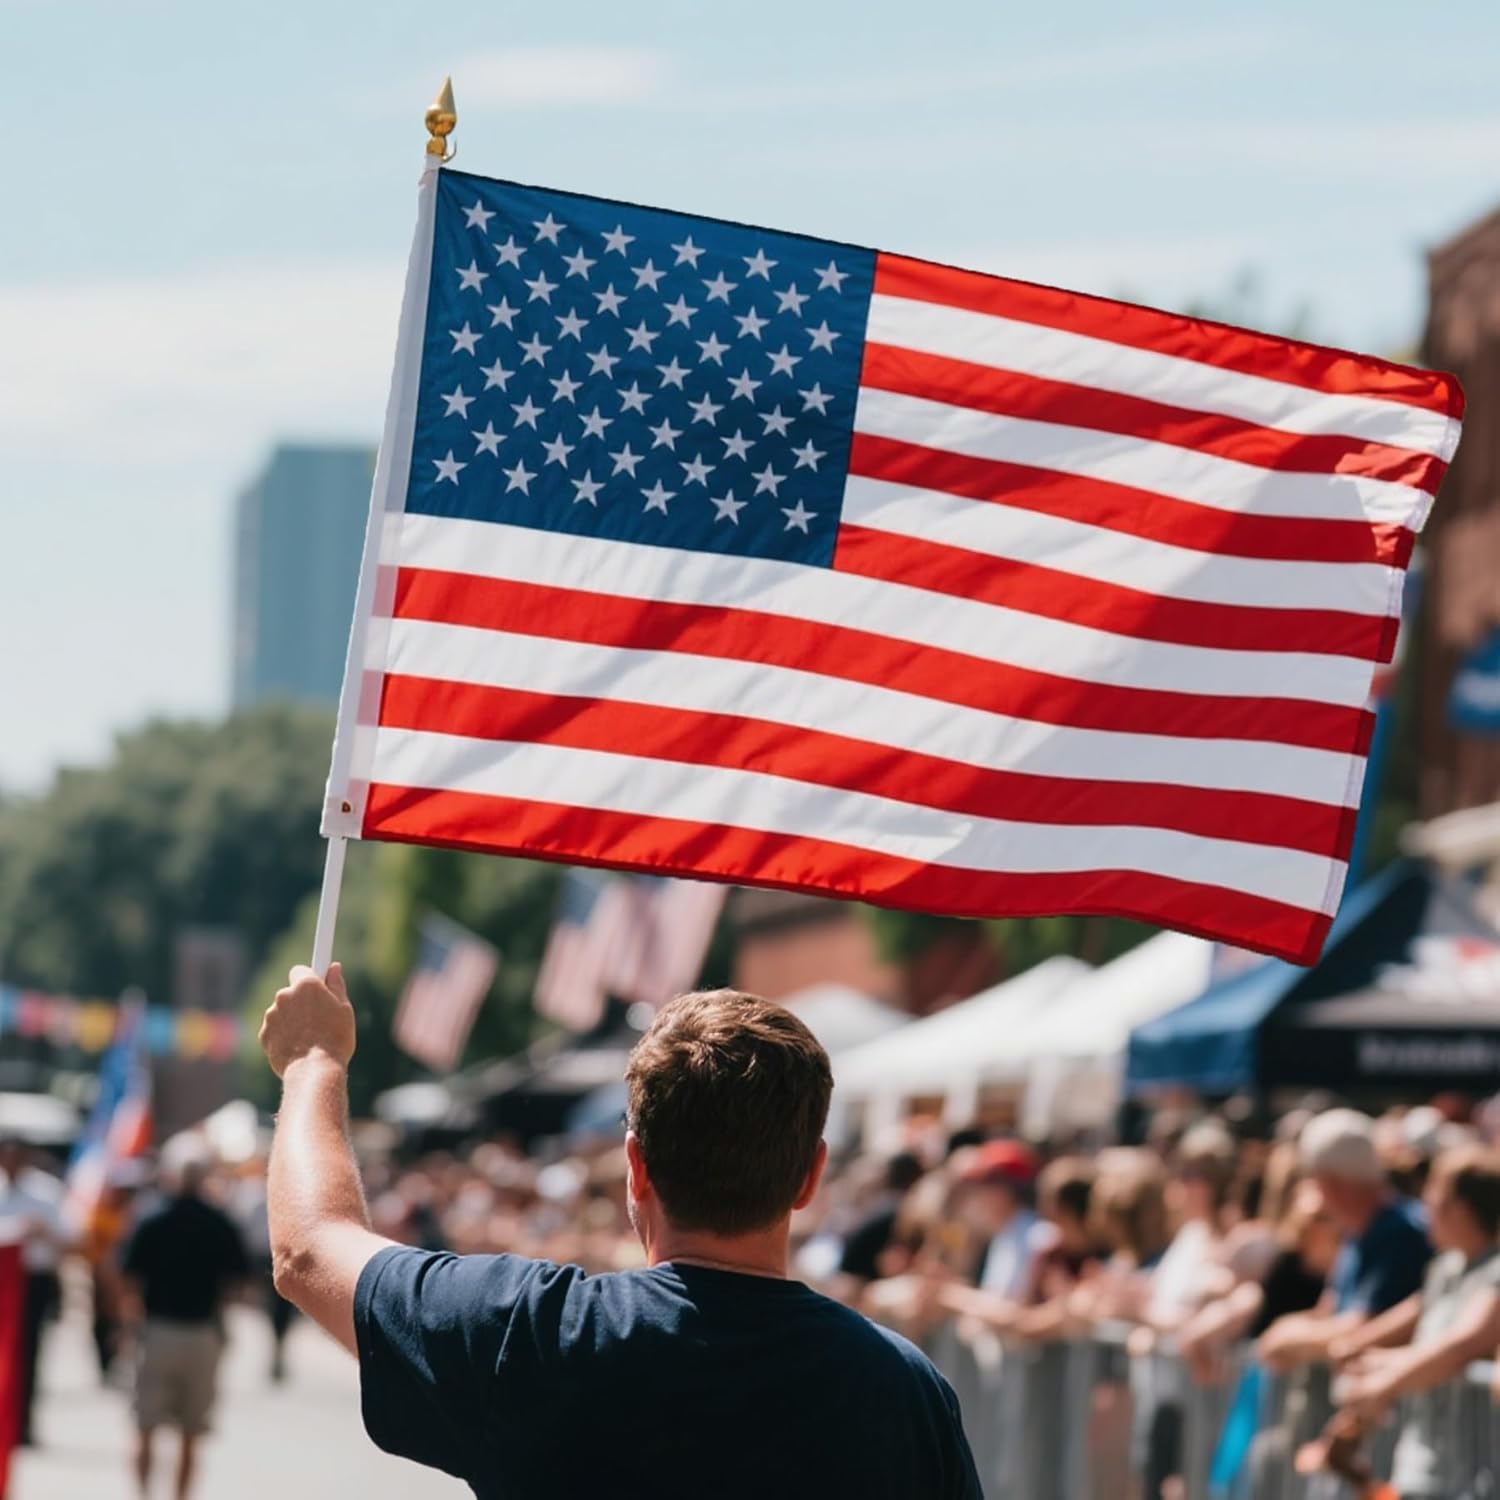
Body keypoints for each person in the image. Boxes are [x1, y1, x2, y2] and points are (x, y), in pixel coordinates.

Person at [259, 965, 982, 1499]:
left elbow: (309, 1247)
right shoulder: (906, 1393)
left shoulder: (534, 1334)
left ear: (636, 1167)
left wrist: (312, 1062)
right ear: (810, 1176)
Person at [1314, 1146, 1500, 1500]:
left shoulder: (1494, 1273)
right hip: (1419, 1468)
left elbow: (1462, 1346)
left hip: (1470, 1480)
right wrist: (1361, 1356)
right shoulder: (1444, 1269)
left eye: (1433, 1195)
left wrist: (1381, 1382)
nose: (1424, 1206)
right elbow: (1403, 1329)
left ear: (1460, 1209)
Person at [121, 1136, 250, 1500]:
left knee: (145, 1424)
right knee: (191, 1432)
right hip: (202, 1331)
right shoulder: (220, 1222)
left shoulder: (152, 1219)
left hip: (158, 1329)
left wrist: (130, 1325)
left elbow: (129, 1277)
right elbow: (239, 1281)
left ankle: (143, 1494)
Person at [1257, 1108, 1432, 1373]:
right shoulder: (1360, 1231)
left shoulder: (1400, 1232)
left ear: (1331, 1183)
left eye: (1314, 1180)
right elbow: (1330, 1310)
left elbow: (1369, 1323)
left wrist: (1294, 1338)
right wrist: (1289, 1329)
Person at [0, 1136, 73, 1446]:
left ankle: (22, 1423)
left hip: (33, 1281)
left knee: (28, 1353)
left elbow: (71, 1239)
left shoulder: (45, 1192)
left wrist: (44, 1231)